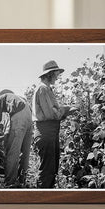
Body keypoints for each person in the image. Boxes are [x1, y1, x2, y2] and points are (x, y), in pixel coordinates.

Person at [32, 60, 75, 188]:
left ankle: (47, 197)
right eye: (56, 74)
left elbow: (54, 111)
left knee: (52, 168)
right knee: (47, 170)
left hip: (50, 131)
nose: (57, 77)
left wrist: (62, 110)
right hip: (46, 132)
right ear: (49, 74)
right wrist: (67, 110)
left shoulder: (47, 89)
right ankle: (42, 200)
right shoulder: (43, 89)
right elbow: (51, 113)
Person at [0, 89, 33, 188]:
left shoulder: (0, 98)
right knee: (25, 152)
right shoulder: (19, 98)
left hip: (19, 118)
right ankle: (22, 180)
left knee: (13, 151)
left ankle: (10, 182)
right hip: (29, 117)